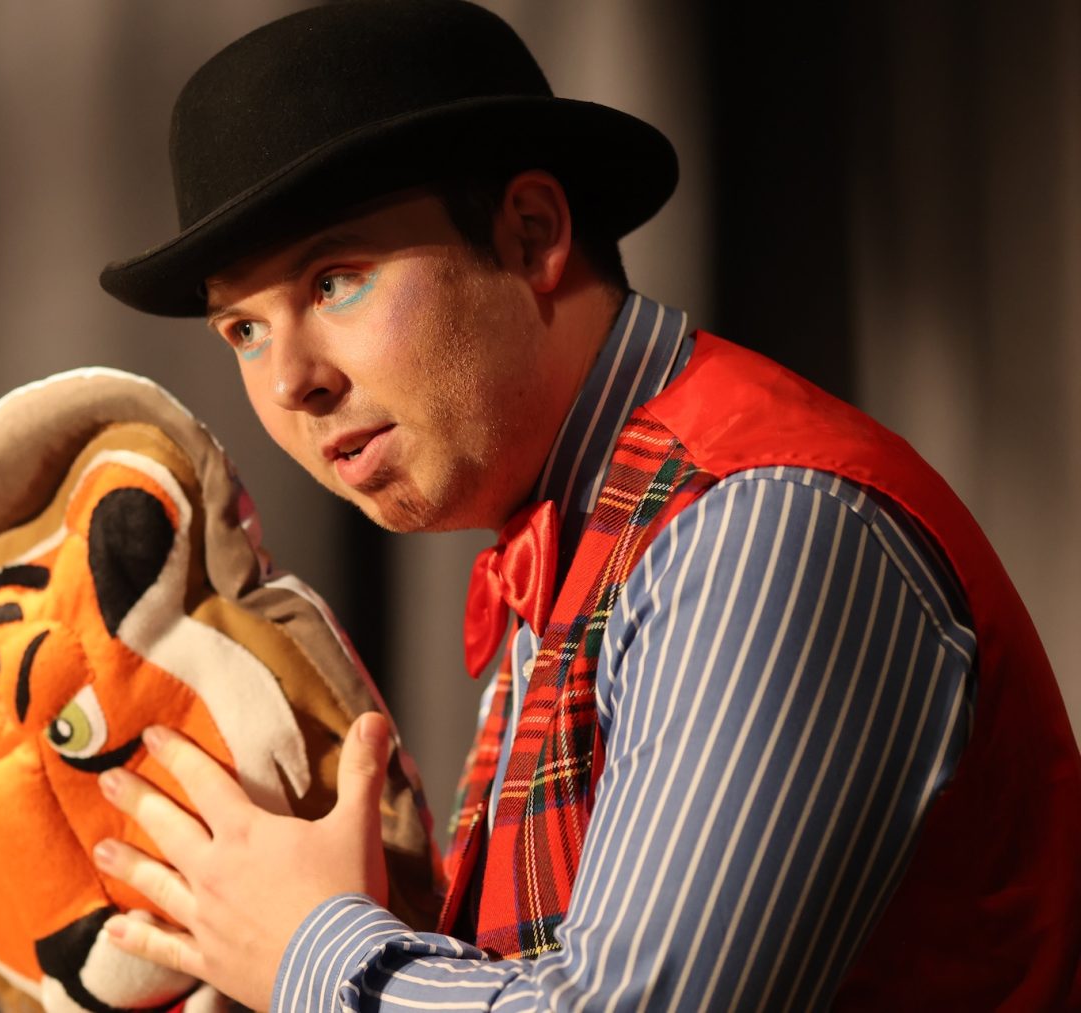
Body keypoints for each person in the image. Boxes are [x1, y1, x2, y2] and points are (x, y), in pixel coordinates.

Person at [90, 1, 1081, 1009]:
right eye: (244, 330)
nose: (289, 380)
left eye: (335, 280)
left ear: (531, 235)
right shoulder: (581, 533)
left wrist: (307, 949)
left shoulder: (754, 525)